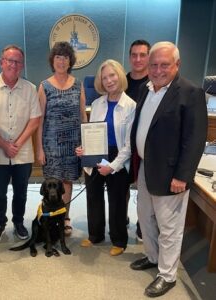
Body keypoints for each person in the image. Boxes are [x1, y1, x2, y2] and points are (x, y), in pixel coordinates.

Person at [129, 41, 207, 297]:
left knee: (170, 227)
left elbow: (194, 139)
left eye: (164, 65)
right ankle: (152, 257)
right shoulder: (145, 89)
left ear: (177, 65)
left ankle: (167, 275)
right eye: (154, 65)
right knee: (146, 218)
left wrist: (182, 176)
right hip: (145, 168)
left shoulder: (190, 92)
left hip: (170, 174)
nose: (158, 70)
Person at [76, 59, 136, 256]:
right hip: (97, 153)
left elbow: (129, 145)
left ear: (119, 76)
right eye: (104, 77)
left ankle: (119, 239)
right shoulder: (97, 103)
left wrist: (113, 166)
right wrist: (83, 149)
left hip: (118, 156)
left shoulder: (130, 106)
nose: (109, 80)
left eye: (112, 75)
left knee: (117, 199)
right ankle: (96, 235)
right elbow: (92, 132)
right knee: (93, 195)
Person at [0, 45, 41, 243]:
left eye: (18, 62)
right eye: (10, 60)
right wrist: (3, 145)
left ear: (22, 66)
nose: (13, 65)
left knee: (21, 192)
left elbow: (35, 119)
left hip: (22, 153)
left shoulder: (30, 89)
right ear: (1, 62)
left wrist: (16, 143)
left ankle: (18, 222)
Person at [36, 41, 87, 236]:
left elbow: (83, 116)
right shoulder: (44, 86)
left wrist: (86, 144)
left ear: (70, 61)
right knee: (53, 184)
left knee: (67, 182)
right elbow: (40, 120)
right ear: (53, 60)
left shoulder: (78, 85)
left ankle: (65, 218)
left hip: (73, 145)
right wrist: (40, 149)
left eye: (65, 57)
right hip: (52, 144)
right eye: (58, 57)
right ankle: (51, 216)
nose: (62, 61)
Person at [126, 39, 151, 242]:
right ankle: (121, 217)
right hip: (125, 145)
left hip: (146, 146)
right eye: (134, 55)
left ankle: (143, 226)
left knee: (144, 190)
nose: (138, 59)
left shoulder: (155, 83)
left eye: (143, 55)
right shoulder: (122, 82)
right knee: (121, 187)